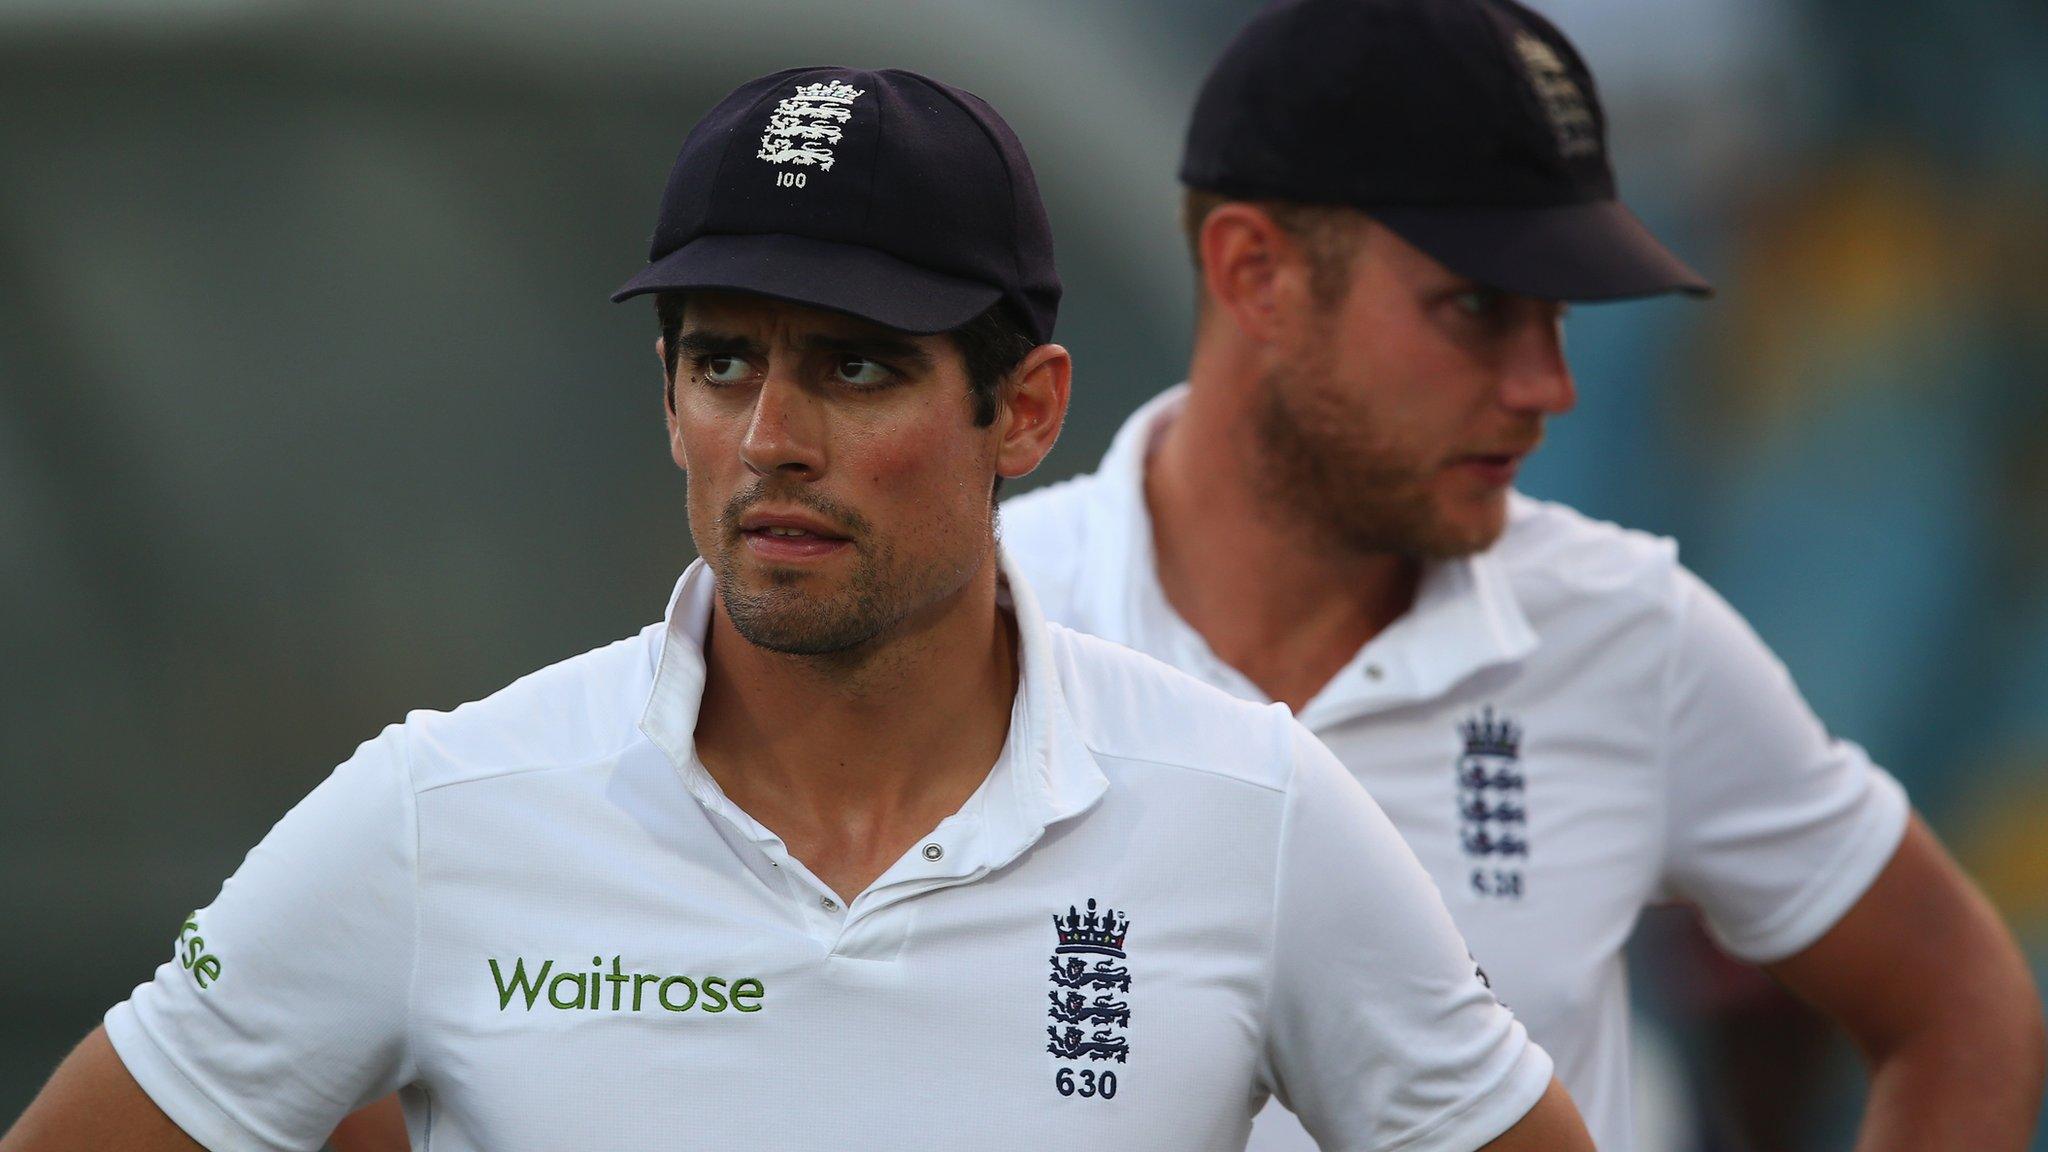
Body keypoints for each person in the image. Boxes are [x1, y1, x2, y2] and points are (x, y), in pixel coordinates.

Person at [0, 66, 1595, 1152]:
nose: (772, 438)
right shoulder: (443, 811)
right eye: (722, 360)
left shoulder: (1247, 812)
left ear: (1025, 412)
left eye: (856, 364)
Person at [994, 1, 2047, 1149]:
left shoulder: (1623, 629)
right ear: (1255, 276)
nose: (1548, 383)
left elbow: (1962, 1005)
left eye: (1555, 313)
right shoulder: (979, 630)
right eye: (1477, 309)